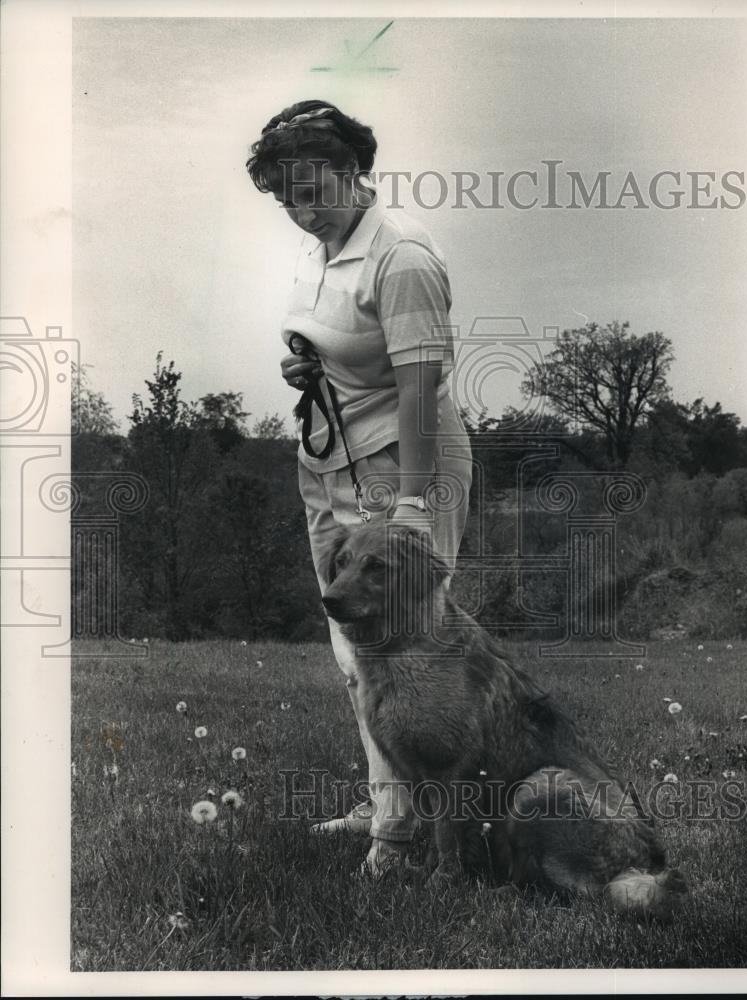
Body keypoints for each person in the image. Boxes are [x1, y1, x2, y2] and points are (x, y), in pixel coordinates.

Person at [246, 100, 474, 877]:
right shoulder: (325, 247)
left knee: (405, 651)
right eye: (285, 198)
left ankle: (408, 839)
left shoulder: (401, 254)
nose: (300, 211)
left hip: (402, 466)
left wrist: (412, 505)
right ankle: (388, 805)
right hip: (330, 461)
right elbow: (349, 345)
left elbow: (419, 384)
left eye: (311, 191)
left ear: (352, 170)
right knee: (354, 651)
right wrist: (307, 366)